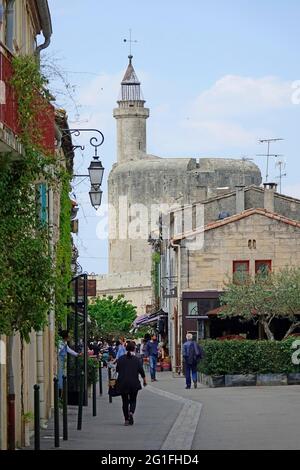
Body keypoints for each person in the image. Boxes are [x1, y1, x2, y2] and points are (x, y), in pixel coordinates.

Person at [116, 341, 147, 426]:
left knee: (124, 401)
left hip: (123, 382)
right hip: (134, 383)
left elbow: (117, 370)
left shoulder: (121, 359)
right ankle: (131, 413)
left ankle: (126, 419)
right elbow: (141, 371)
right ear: (134, 349)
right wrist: (144, 380)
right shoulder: (136, 360)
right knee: (133, 400)